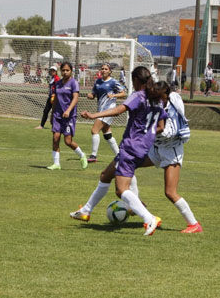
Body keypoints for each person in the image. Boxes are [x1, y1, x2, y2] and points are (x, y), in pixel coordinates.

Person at [70, 66, 167, 236]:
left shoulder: (138, 96)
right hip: (143, 147)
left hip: (130, 147)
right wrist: (146, 134)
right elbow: (161, 126)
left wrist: (95, 115)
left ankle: (149, 218)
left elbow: (119, 110)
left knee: (121, 190)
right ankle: (86, 211)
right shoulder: (157, 99)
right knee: (105, 175)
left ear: (136, 80)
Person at [139, 81, 202, 233]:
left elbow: (169, 132)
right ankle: (137, 206)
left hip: (171, 151)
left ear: (165, 96)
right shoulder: (158, 104)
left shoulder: (172, 106)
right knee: (127, 165)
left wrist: (146, 130)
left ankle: (194, 224)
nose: (155, 99)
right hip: (156, 149)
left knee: (170, 192)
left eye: (158, 96)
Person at [47, 62, 88, 170]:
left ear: (71, 71)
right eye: (63, 70)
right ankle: (56, 164)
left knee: (68, 141)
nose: (65, 72)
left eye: (67, 70)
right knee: (55, 138)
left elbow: (75, 98)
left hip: (69, 116)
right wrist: (52, 113)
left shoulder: (74, 83)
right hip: (57, 115)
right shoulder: (58, 83)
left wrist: (69, 110)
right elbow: (55, 99)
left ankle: (82, 155)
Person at [85, 63, 126, 163]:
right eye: (102, 69)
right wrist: (90, 95)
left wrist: (114, 96)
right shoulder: (98, 82)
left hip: (108, 110)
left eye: (106, 69)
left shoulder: (113, 82)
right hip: (100, 110)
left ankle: (93, 155)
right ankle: (119, 155)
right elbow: (93, 94)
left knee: (94, 130)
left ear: (110, 71)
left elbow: (124, 93)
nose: (103, 70)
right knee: (107, 135)